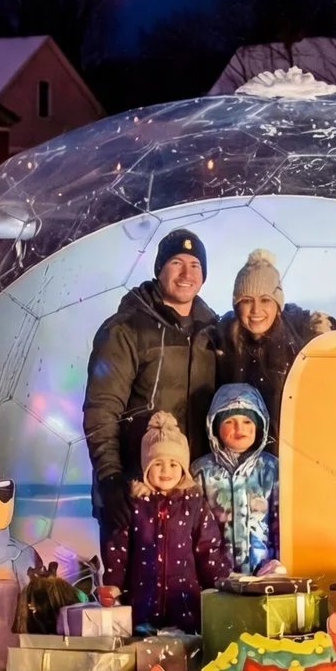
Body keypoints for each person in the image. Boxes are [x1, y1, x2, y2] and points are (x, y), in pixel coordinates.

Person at [85, 228, 221, 546]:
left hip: (189, 496)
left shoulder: (212, 332)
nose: (186, 273)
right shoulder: (125, 329)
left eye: (195, 265)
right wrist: (111, 478)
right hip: (136, 490)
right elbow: (102, 408)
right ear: (159, 269)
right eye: (176, 262)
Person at [99, 412, 232, 632]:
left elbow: (208, 547)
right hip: (141, 607)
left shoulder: (193, 504)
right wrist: (113, 585)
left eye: (173, 464)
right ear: (146, 468)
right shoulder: (136, 504)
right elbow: (118, 550)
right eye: (158, 464)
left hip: (185, 606)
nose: (166, 471)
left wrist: (222, 582)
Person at [218, 248, 322, 435]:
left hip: (292, 447)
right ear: (236, 305)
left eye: (265, 299)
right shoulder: (221, 342)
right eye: (247, 300)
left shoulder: (303, 338)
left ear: (278, 303)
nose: (256, 310)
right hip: (242, 449)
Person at [196, 383, 282, 575]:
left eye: (247, 422)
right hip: (216, 576)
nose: (238, 428)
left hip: (263, 573)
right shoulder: (202, 471)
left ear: (260, 425)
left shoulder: (271, 469)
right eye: (229, 421)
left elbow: (282, 523)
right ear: (215, 426)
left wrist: (279, 562)